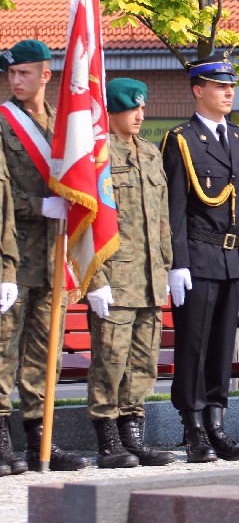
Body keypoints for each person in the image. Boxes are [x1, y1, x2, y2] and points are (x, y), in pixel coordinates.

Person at [161, 54, 239, 463]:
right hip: (197, 256)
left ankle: (217, 424)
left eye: (231, 86)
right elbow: (175, 207)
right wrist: (177, 262)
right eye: (220, 86)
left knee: (222, 345)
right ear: (198, 90)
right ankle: (193, 427)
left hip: (232, 257)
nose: (229, 92)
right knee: (194, 345)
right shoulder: (181, 139)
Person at [0, 39, 84, 472]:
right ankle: (1, 443)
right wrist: (39, 206)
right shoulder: (3, 123)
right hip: (12, 258)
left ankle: (40, 443)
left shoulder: (66, 125)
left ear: (45, 75)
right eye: (11, 74)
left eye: (24, 73)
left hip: (54, 257)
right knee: (3, 351)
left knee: (43, 354)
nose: (16, 81)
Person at [85, 78, 175, 468]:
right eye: (130, 108)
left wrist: (167, 267)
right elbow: (87, 221)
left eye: (141, 107)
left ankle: (133, 435)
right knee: (110, 361)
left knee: (142, 362)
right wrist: (95, 279)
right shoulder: (96, 155)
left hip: (150, 278)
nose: (139, 115)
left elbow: (161, 220)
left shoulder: (150, 153)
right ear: (111, 112)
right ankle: (108, 441)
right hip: (115, 279)